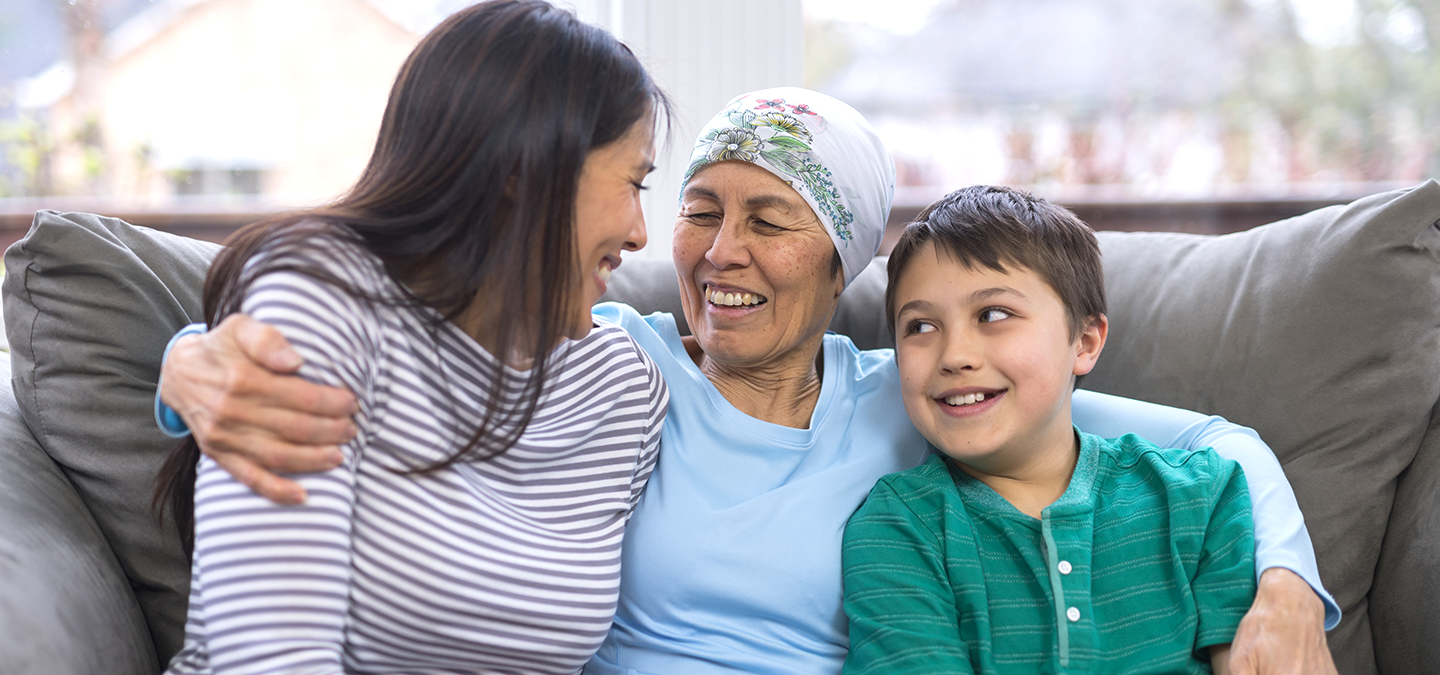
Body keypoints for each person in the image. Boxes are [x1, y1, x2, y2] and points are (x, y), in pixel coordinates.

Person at [156, 87, 1340, 674]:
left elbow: (1214, 438)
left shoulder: (923, 393)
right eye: (698, 212)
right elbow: (400, 362)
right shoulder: (614, 366)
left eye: (768, 220)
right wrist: (192, 367)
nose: (719, 253)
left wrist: (1286, 580)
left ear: (846, 254)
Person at [153, 2, 669, 673]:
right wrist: (184, 360)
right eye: (633, 183)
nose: (640, 232)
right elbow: (270, 658)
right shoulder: (325, 299)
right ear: (525, 167)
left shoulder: (625, 386)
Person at [842, 185, 1256, 674]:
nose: (955, 356)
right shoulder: (898, 526)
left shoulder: (1201, 494)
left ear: (1083, 342)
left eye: (993, 314)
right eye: (921, 327)